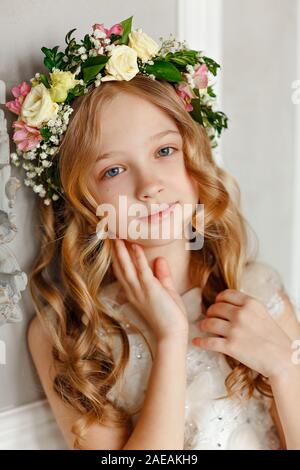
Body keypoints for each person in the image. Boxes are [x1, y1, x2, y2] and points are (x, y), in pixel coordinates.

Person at [6, 16, 300, 450]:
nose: (149, 186)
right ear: (84, 199)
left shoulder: (255, 288)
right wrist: (170, 339)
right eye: (114, 170)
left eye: (164, 150)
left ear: (194, 160)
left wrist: (283, 367)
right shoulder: (66, 336)